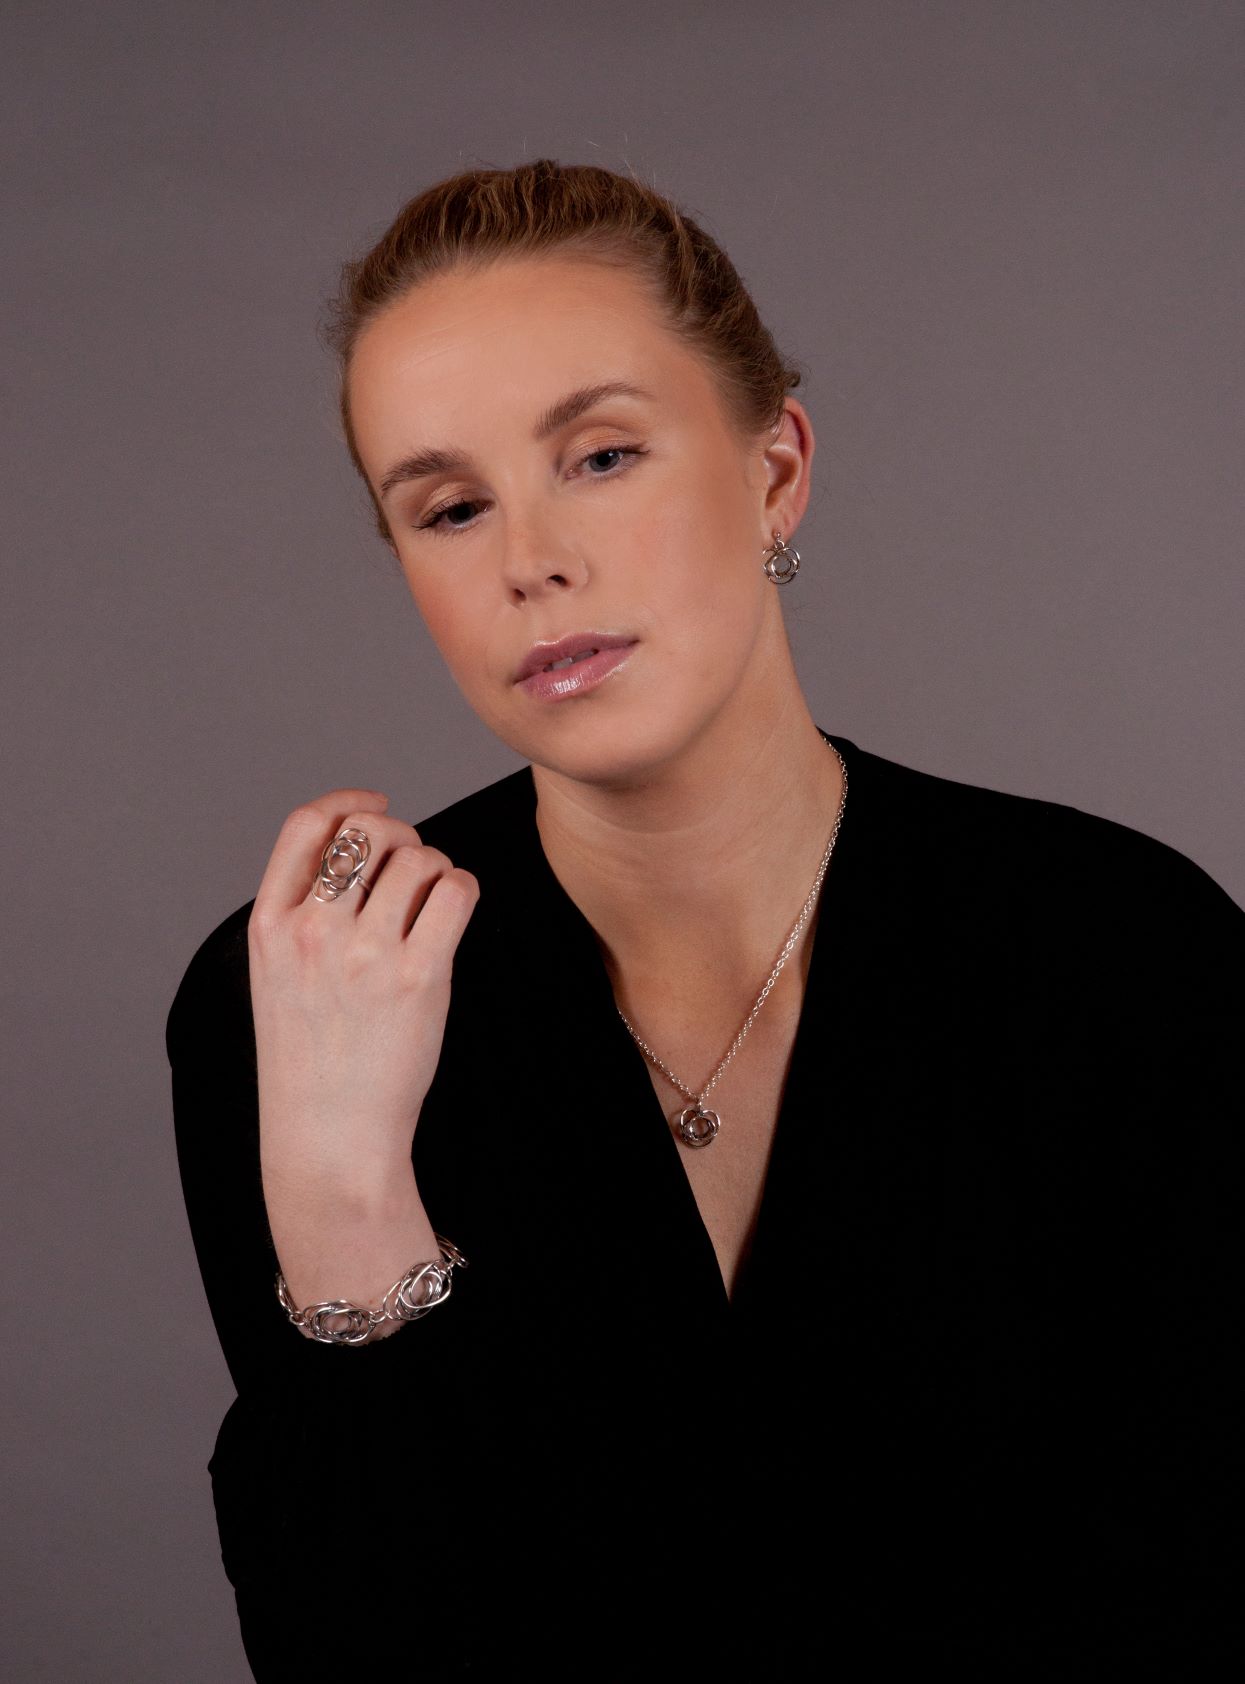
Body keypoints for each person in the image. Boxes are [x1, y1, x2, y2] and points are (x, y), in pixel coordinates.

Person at [167, 159, 1244, 1680]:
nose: (530, 558)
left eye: (600, 457)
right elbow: (348, 1643)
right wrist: (346, 1201)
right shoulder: (295, 994)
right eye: (451, 506)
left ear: (774, 470)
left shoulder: (1120, 950)